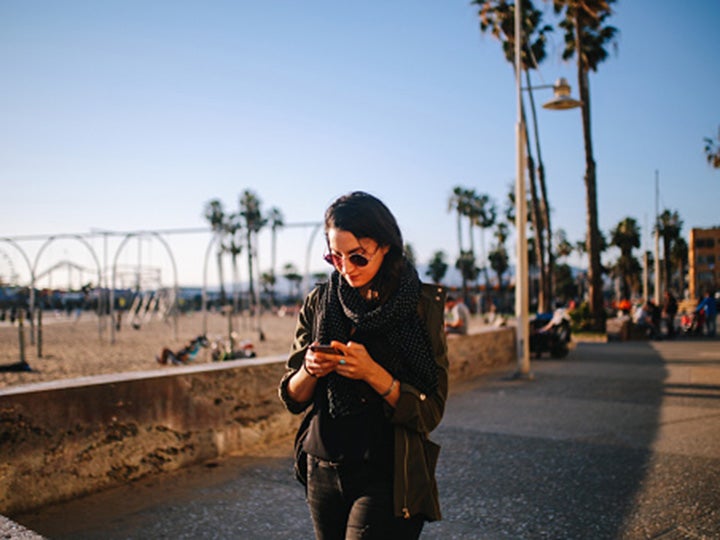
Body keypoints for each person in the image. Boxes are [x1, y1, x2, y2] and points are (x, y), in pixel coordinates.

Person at [278, 191, 448, 539]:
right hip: (321, 467)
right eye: (335, 257)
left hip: (386, 473)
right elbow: (292, 398)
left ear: (385, 246)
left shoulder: (419, 307)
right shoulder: (321, 301)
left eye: (357, 257)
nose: (345, 269)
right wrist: (310, 369)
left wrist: (372, 373)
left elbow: (430, 411)